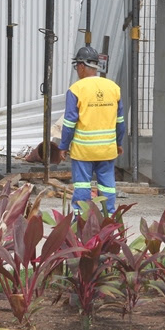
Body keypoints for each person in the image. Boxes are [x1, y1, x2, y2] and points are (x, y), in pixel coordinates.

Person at [57, 45, 125, 215]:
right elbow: (120, 122)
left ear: (81, 66)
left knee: (82, 185)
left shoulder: (76, 90)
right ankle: (108, 216)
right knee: (107, 185)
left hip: (83, 150)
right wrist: (118, 142)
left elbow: (70, 122)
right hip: (107, 149)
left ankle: (81, 219)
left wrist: (64, 146)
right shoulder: (113, 88)